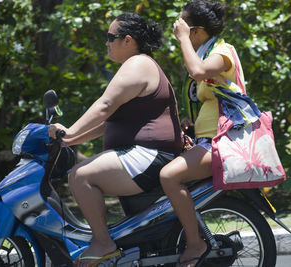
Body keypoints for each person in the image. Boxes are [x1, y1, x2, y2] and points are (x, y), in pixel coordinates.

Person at [48, 13, 183, 267]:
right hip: (146, 153)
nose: (106, 43)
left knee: (80, 176)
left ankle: (102, 243)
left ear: (128, 40)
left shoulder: (138, 64)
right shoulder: (136, 65)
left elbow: (105, 106)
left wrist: (69, 131)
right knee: (81, 173)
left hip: (152, 153)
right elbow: (105, 123)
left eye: (110, 38)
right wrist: (69, 140)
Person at [159, 1, 247, 266]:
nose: (178, 31)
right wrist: (194, 124)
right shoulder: (208, 52)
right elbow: (213, 99)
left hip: (223, 143)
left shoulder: (223, 52)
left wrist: (183, 38)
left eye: (183, 27)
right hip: (207, 139)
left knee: (169, 177)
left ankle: (195, 244)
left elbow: (196, 71)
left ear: (196, 31)